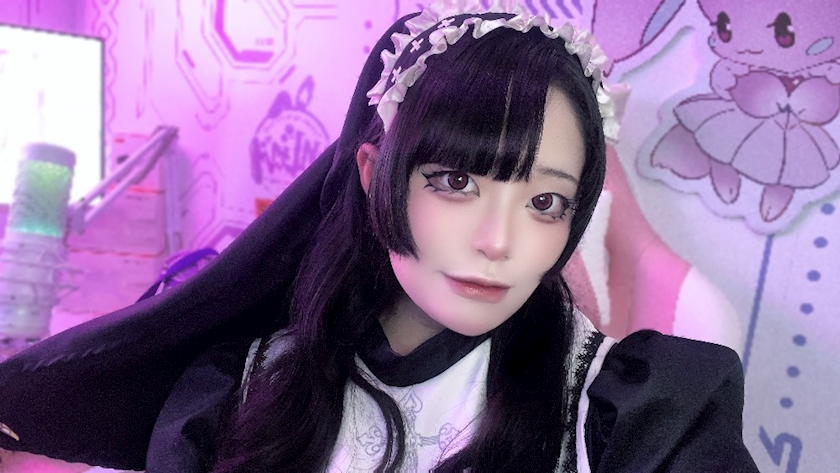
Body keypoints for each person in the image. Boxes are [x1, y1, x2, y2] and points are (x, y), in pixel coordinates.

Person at [0, 3, 759, 472]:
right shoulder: (244, 388)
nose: (499, 241)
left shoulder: (627, 413)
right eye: (456, 181)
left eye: (545, 201)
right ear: (373, 173)